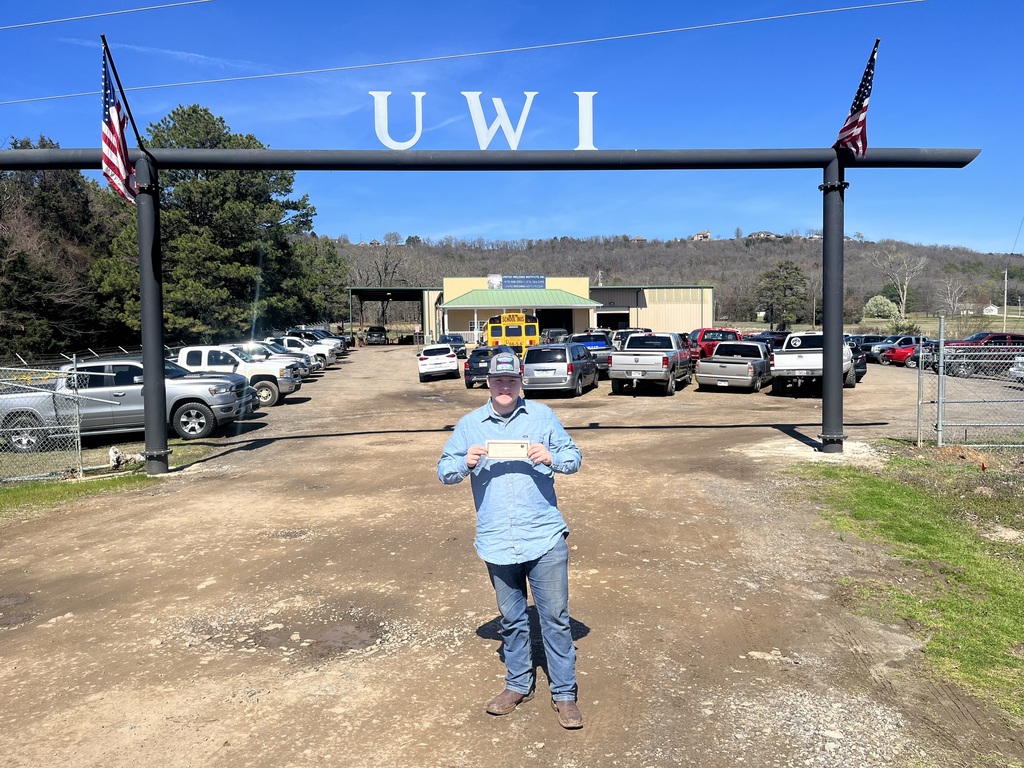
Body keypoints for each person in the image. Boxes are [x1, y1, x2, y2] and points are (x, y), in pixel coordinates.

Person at [437, 352, 584, 729]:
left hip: (544, 536)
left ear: (521, 381)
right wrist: (463, 463)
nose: (505, 387)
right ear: (487, 382)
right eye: (498, 381)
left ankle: (564, 693)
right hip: (497, 540)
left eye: (512, 381)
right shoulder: (470, 425)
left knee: (554, 617)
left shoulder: (542, 417)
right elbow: (444, 471)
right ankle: (518, 684)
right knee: (513, 619)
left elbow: (574, 457)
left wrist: (552, 457)